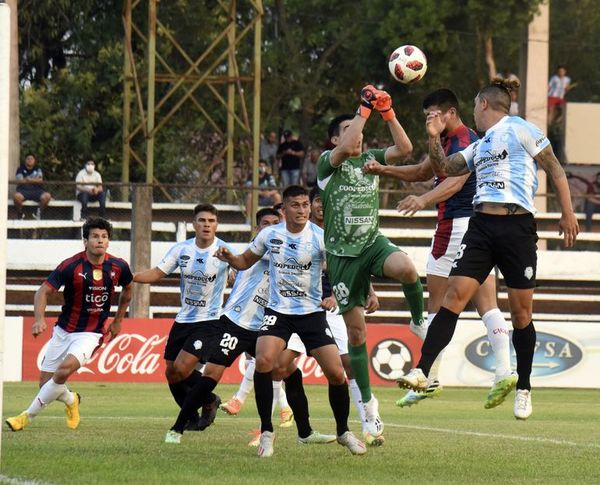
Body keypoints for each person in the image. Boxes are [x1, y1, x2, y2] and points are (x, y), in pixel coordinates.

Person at [397, 78, 579, 420]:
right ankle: (423, 371)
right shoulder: (479, 146)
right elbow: (446, 168)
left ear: (483, 105)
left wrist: (567, 212)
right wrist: (434, 137)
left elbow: (554, 167)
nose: (473, 115)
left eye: (475, 108)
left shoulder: (522, 129)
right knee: (454, 296)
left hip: (517, 226)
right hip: (481, 226)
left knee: (521, 313)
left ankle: (523, 386)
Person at [363, 88, 515, 409]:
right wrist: (384, 170)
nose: (430, 120)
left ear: (450, 113)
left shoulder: (463, 140)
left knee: (454, 304)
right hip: (466, 227)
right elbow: (423, 171)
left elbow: (454, 182)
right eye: (426, 116)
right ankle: (489, 373)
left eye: (434, 114)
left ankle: (441, 377)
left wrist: (423, 198)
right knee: (472, 303)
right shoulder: (448, 141)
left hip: (459, 226)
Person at [216, 185, 367, 457]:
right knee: (263, 361)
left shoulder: (321, 237)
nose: (302, 210)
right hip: (278, 313)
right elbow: (244, 262)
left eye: (305, 205)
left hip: (311, 314)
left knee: (336, 372)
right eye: (295, 206)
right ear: (284, 210)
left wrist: (356, 292)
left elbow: (340, 270)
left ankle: (343, 431)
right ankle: (267, 432)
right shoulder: (270, 235)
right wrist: (230, 258)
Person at [317, 86, 424, 439]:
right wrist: (363, 109)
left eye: (358, 128)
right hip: (343, 258)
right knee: (357, 333)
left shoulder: (371, 158)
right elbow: (348, 145)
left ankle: (419, 322)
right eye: (349, 129)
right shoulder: (327, 165)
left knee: (408, 268)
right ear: (335, 138)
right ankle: (367, 405)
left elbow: (406, 149)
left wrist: (388, 112)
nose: (358, 136)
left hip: (372, 244)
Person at [5, 218, 133, 432]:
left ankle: (25, 417)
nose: (99, 240)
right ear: (85, 241)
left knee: (63, 372)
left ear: (108, 241)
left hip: (91, 334)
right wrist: (39, 319)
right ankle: (71, 399)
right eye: (94, 236)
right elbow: (42, 291)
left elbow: (128, 289)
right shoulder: (70, 265)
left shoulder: (118, 266)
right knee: (45, 384)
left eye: (104, 236)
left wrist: (118, 320)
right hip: (63, 331)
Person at [133, 204, 233, 431]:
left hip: (209, 321)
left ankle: (205, 401)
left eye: (211, 221)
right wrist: (131, 277)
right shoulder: (182, 249)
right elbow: (157, 273)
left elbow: (239, 273)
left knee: (181, 369)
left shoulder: (224, 250)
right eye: (202, 220)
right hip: (183, 320)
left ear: (216, 224)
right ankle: (196, 412)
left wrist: (234, 278)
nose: (206, 225)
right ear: (193, 224)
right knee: (172, 374)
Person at [13, 154, 52, 220]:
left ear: (34, 161)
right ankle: (20, 214)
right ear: (25, 160)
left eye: (31, 159)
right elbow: (20, 181)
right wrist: (34, 180)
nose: (30, 160)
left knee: (47, 196)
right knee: (16, 197)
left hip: (37, 191)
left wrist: (28, 179)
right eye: (28, 158)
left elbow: (40, 180)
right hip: (23, 190)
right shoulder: (20, 169)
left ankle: (38, 214)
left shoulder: (38, 169)